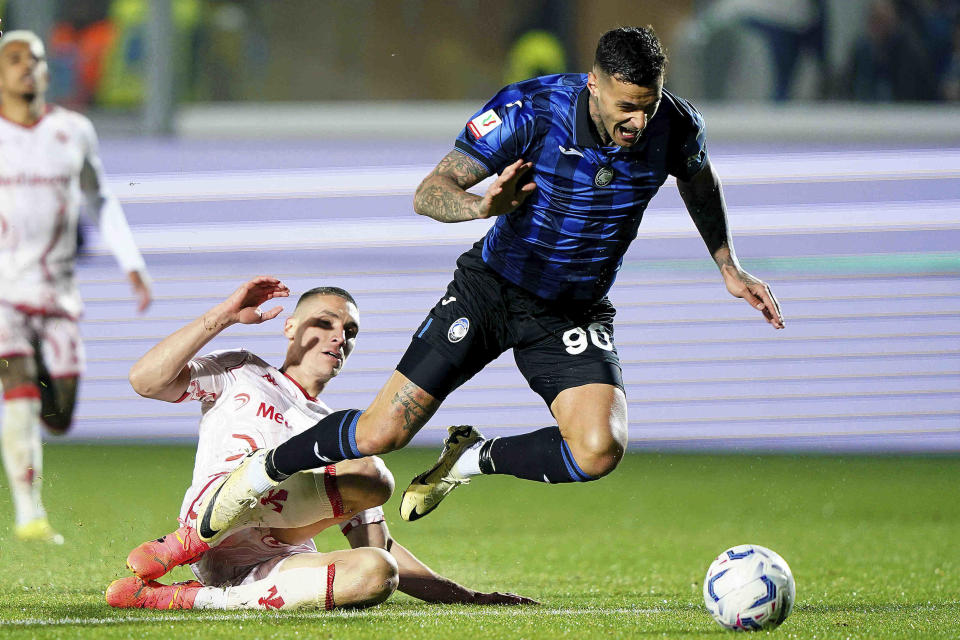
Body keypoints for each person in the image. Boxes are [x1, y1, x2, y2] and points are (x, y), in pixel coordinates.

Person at [195, 26, 783, 543]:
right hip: (491, 290)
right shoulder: (531, 109)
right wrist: (482, 206)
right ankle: (260, 472)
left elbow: (700, 184)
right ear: (595, 84)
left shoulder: (675, 126)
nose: (639, 121)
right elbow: (429, 191)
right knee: (383, 432)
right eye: (628, 105)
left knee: (599, 450)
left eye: (648, 106)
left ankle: (466, 461)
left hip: (572, 310)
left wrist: (727, 264)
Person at [106, 277, 534, 610]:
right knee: (370, 471)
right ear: (289, 327)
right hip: (213, 521)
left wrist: (465, 597)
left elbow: (375, 543)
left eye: (349, 331)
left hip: (274, 563)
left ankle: (184, 598)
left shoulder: (337, 430)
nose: (338, 337)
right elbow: (146, 380)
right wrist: (225, 315)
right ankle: (186, 541)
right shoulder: (242, 370)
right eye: (325, 323)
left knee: (375, 572)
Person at [0, 29, 151, 545]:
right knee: (18, 396)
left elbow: (100, 198)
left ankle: (35, 385)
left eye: (34, 59)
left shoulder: (74, 130)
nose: (26, 67)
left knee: (59, 416)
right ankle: (29, 515)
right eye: (14, 59)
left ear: (47, 71)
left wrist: (130, 261)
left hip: (58, 293)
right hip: (3, 294)